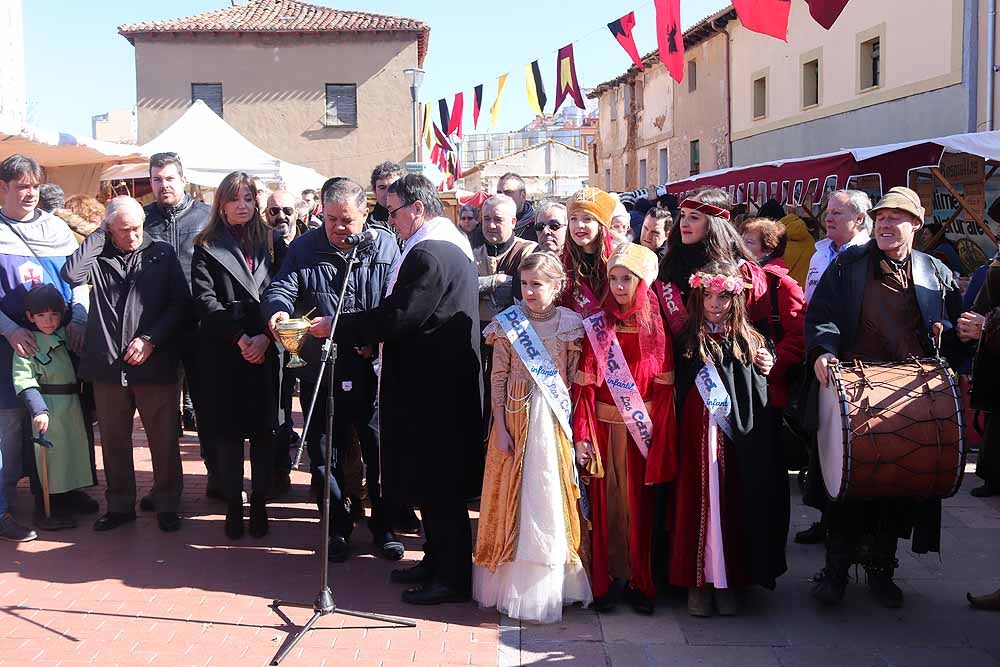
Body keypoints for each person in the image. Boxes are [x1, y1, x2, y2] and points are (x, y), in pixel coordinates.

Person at [806, 186, 966, 608]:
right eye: (881, 217)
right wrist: (823, 352)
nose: (886, 224)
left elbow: (951, 331)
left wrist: (951, 333)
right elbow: (821, 316)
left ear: (917, 224)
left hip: (911, 398)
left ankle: (881, 570)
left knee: (898, 490)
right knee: (846, 489)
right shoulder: (848, 265)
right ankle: (835, 571)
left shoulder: (935, 272)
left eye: (897, 218)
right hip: (855, 393)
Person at [326, 174, 483, 605]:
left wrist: (338, 326)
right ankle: (435, 560)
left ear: (416, 208)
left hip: (435, 392)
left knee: (441, 487)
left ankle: (451, 577)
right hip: (437, 386)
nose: (389, 221)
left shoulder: (430, 253)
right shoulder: (439, 243)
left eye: (392, 212)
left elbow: (399, 317)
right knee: (432, 484)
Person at [264, 178, 404, 562]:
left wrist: (377, 337)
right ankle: (336, 528)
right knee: (327, 455)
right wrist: (276, 310)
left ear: (365, 213)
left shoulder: (387, 246)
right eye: (330, 219)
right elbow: (282, 288)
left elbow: (396, 302)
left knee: (378, 452)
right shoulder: (304, 248)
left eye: (347, 220)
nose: (339, 227)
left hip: (370, 368)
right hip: (320, 369)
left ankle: (384, 526)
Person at [474, 252, 592, 623]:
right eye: (524, 284)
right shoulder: (508, 324)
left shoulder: (570, 324)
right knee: (514, 497)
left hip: (553, 423)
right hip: (514, 417)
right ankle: (511, 579)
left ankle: (554, 580)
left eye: (537, 285)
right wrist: (500, 428)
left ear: (557, 287)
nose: (529, 291)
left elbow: (573, 380)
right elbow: (497, 377)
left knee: (548, 496)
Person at [63, 196, 190, 533]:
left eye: (137, 228)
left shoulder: (161, 253)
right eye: (124, 230)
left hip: (153, 362)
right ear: (109, 228)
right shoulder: (99, 254)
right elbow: (71, 272)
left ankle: (166, 503)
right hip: (106, 364)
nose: (133, 235)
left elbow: (179, 305)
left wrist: (151, 339)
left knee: (162, 438)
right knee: (114, 440)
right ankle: (119, 505)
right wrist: (99, 236)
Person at [670, 260, 787, 617]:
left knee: (731, 502)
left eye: (722, 297)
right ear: (699, 296)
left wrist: (766, 363)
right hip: (694, 436)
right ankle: (697, 582)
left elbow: (757, 396)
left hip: (733, 442)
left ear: (735, 298)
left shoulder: (751, 340)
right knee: (696, 503)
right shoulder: (687, 337)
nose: (715, 304)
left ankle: (729, 580)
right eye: (708, 296)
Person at [571, 242, 676, 614]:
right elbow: (583, 388)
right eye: (613, 278)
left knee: (639, 511)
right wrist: (582, 433)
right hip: (601, 429)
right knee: (604, 509)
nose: (618, 286)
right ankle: (605, 581)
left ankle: (638, 581)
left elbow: (663, 395)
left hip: (640, 436)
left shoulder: (657, 328)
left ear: (642, 282)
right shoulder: (597, 325)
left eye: (626, 279)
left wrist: (660, 444)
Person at [0, 154, 93, 531]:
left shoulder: (58, 230)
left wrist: (81, 317)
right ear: (3, 188)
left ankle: (63, 492)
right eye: (22, 186)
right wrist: (9, 329)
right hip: (8, 351)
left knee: (59, 426)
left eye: (35, 186)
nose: (30, 194)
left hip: (56, 351)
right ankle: (3, 507)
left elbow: (79, 280)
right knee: (8, 431)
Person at [192, 172, 285, 540]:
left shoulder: (274, 241)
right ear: (222, 204)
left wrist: (264, 337)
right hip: (225, 350)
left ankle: (260, 501)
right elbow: (204, 298)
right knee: (228, 435)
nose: (242, 205)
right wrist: (239, 337)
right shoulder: (206, 243)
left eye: (248, 197)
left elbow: (286, 289)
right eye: (235, 199)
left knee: (264, 432)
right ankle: (234, 502)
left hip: (266, 345)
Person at [141, 152, 211, 488]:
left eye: (169, 178)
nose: (163, 185)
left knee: (208, 404)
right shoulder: (142, 220)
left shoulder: (206, 217)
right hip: (160, 327)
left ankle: (218, 476)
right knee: (163, 414)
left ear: (183, 179)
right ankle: (164, 485)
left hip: (201, 325)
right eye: (157, 179)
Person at [12, 284, 94, 529]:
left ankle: (72, 495)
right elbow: (24, 378)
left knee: (73, 451)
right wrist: (38, 409)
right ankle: (47, 507)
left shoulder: (67, 337)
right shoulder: (27, 344)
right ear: (30, 316)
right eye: (41, 315)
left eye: (54, 314)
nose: (48, 321)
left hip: (72, 405)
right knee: (49, 458)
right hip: (48, 407)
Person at [803, 190, 872, 303]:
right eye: (828, 212)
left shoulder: (871, 256)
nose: (827, 219)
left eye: (836, 213)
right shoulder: (819, 255)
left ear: (859, 219)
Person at [561, 187, 620, 317]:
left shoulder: (619, 262)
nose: (579, 225)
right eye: (573, 218)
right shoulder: (560, 264)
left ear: (601, 225)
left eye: (587, 218)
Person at [759, 198, 814, 289]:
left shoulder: (779, 243)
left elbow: (772, 273)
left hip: (786, 292)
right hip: (808, 291)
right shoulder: (807, 236)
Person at [498, 173, 536, 241]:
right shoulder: (489, 224)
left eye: (508, 192)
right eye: (499, 193)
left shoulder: (537, 227)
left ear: (523, 196)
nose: (502, 197)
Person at [368, 161, 405, 229]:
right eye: (382, 187)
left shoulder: (413, 219)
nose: (388, 192)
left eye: (393, 186)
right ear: (374, 191)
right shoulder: (367, 225)